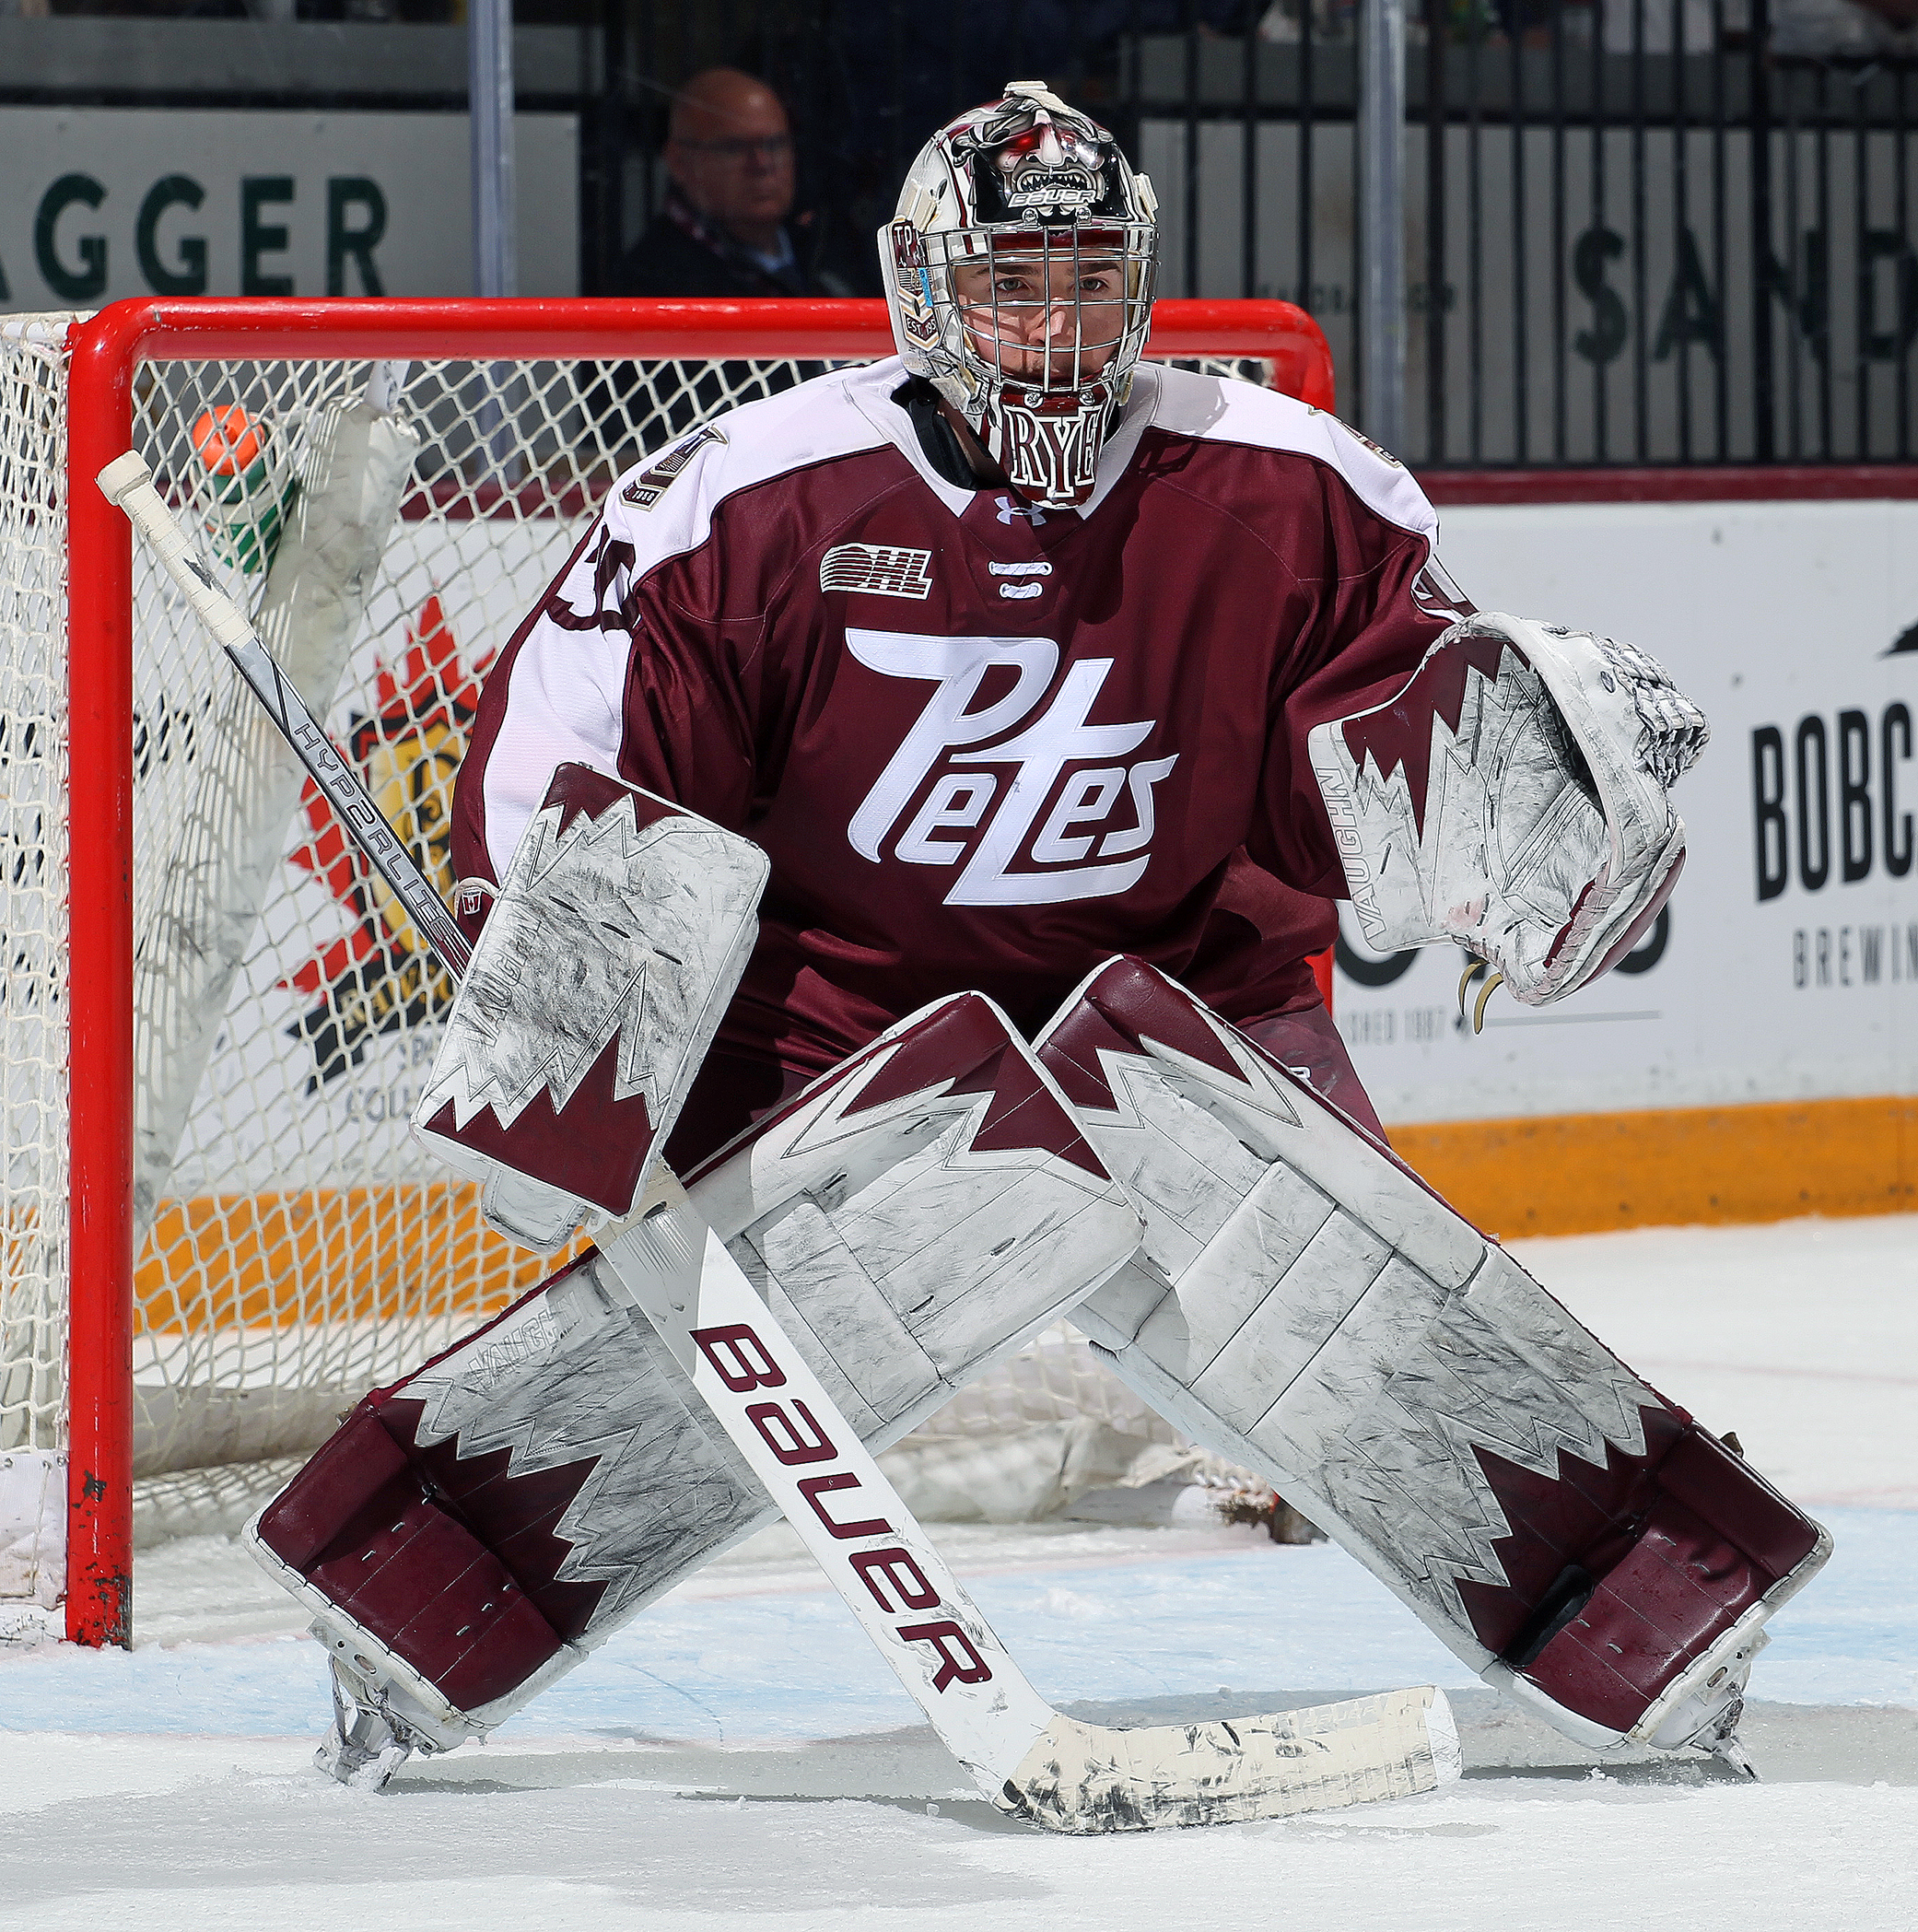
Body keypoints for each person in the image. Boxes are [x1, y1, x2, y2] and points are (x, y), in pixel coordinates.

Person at [452, 79, 1704, 1176]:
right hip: (825, 1037)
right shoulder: (747, 502)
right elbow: (586, 747)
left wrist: (1515, 784)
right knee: (711, 1390)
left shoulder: (1290, 485)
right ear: (927, 293)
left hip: (1176, 1010)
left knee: (1374, 1333)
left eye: (1092, 281)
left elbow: (1366, 748)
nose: (1057, 328)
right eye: (1012, 286)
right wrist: (549, 998)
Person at [619, 67, 855, 299]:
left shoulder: (834, 245)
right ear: (679, 162)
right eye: (734, 148)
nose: (762, 164)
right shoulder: (654, 284)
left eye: (776, 144)